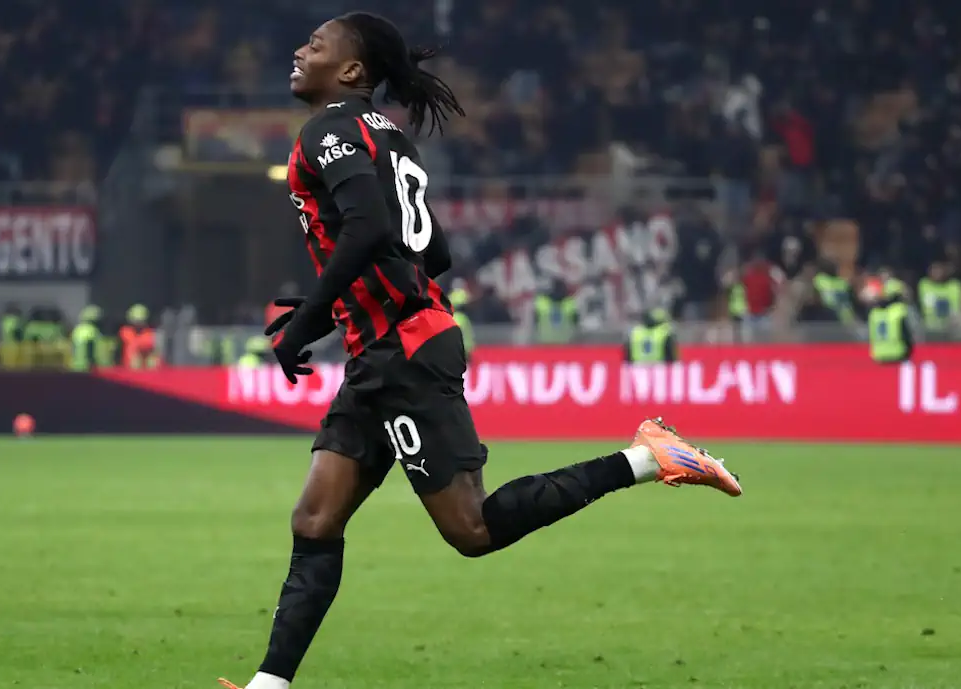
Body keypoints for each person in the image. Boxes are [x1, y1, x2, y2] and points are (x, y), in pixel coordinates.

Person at [216, 13, 743, 689]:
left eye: (315, 45)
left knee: (472, 529)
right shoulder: (391, 137)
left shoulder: (328, 131)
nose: (298, 50)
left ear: (351, 71)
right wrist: (370, 307)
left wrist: (306, 322)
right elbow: (434, 249)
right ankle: (269, 685)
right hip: (388, 347)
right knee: (315, 517)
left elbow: (373, 227)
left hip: (401, 352)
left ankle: (645, 457)